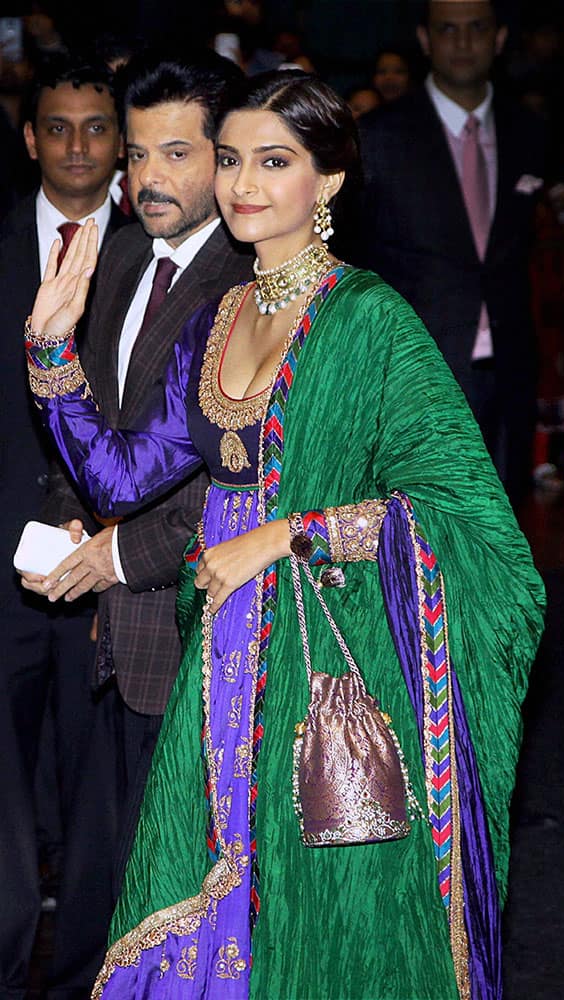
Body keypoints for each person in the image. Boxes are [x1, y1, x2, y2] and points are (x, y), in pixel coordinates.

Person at [25, 70, 545, 1000]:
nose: (241, 185)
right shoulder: (221, 314)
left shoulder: (370, 321)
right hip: (220, 650)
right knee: (211, 880)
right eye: (229, 160)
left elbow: (467, 520)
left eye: (275, 162)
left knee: (318, 906)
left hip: (326, 664)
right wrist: (54, 352)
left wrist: (283, 537)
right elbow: (122, 478)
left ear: (329, 180)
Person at [20, 46, 252, 929]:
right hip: (108, 637)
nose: (148, 177)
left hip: (198, 632)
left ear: (225, 158)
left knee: (182, 908)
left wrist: (113, 556)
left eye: (178, 154)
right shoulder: (120, 254)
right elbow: (87, 437)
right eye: (139, 154)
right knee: (101, 889)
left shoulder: (245, 288)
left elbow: (226, 481)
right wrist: (68, 526)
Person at [0, 51, 128, 999]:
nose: (76, 145)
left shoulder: (158, 250)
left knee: (100, 806)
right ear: (29, 134)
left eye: (96, 126)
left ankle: (87, 979)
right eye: (58, 126)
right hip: (0, 566)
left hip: (113, 572)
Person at [350, 0, 547, 511]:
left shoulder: (528, 130)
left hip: (510, 369)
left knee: (506, 540)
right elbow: (350, 254)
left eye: (477, 28)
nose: (463, 43)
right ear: (425, 37)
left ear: (499, 38)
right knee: (422, 544)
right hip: (416, 375)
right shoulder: (379, 137)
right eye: (448, 29)